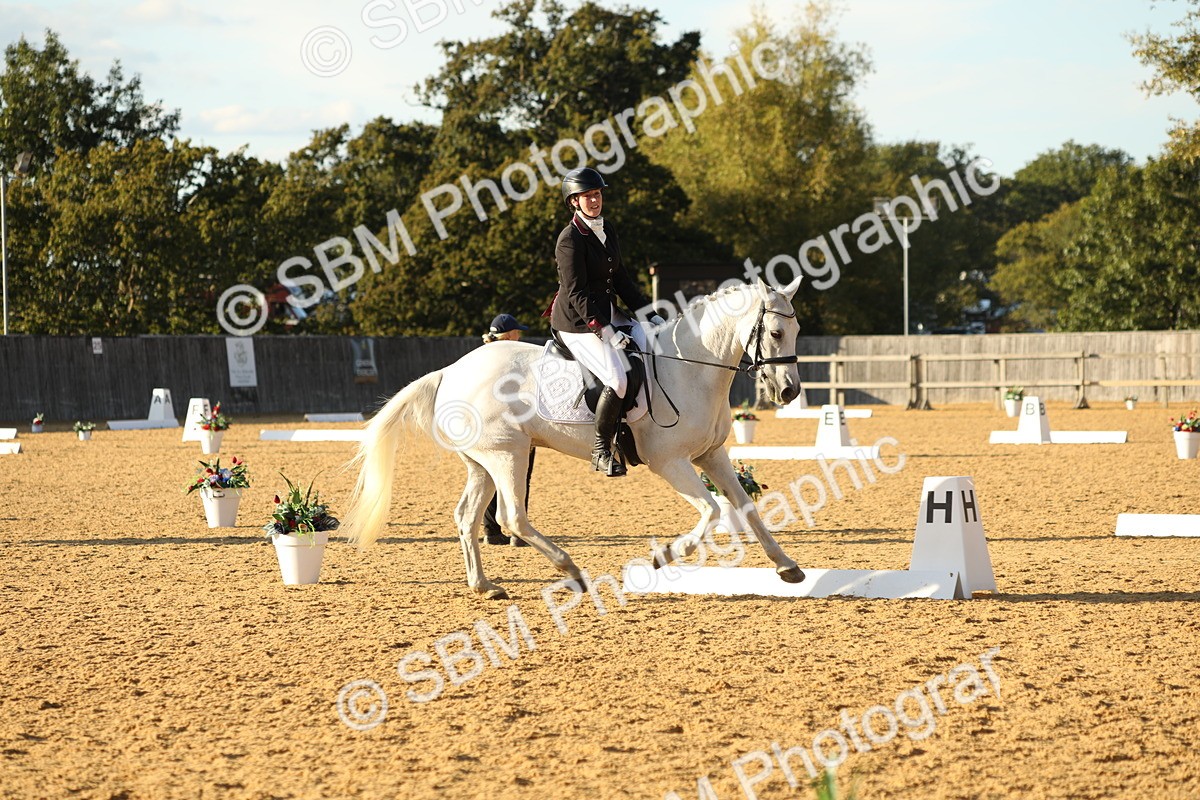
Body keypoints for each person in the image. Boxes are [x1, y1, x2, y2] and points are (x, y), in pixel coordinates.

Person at [549, 167, 663, 477]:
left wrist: (649, 313)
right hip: (577, 321)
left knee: (655, 341)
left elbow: (622, 279)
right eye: (587, 196)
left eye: (597, 194)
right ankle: (601, 449)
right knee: (618, 379)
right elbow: (575, 293)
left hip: (607, 309)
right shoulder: (569, 239)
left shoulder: (607, 228)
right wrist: (606, 331)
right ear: (574, 201)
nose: (594, 200)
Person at [480, 313, 534, 546]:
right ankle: (518, 531)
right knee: (520, 476)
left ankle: (491, 531)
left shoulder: (481, 356)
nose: (520, 335)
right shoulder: (514, 358)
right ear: (510, 335)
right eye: (517, 332)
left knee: (488, 477)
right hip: (513, 424)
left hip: (484, 425)